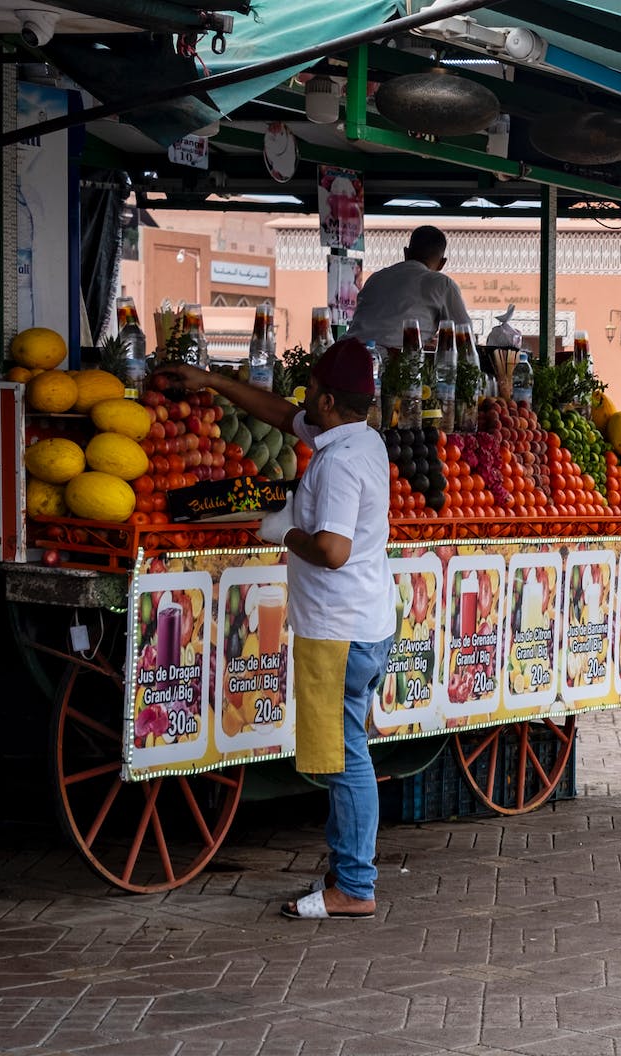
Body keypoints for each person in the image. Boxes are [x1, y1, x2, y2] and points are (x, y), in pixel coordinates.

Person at [165, 341, 393, 918]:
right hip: (364, 621)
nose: (304, 397)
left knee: (345, 760)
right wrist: (211, 381)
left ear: (330, 398)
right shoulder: (358, 438)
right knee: (350, 751)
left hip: (339, 630)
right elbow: (275, 411)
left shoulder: (339, 463)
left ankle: (355, 887)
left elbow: (333, 550)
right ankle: (350, 868)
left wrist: (282, 531)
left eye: (312, 390)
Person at [344, 225, 471, 347]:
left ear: (406, 253)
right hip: (392, 363)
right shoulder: (442, 283)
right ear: (442, 264)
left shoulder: (376, 277)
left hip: (346, 353)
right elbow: (464, 335)